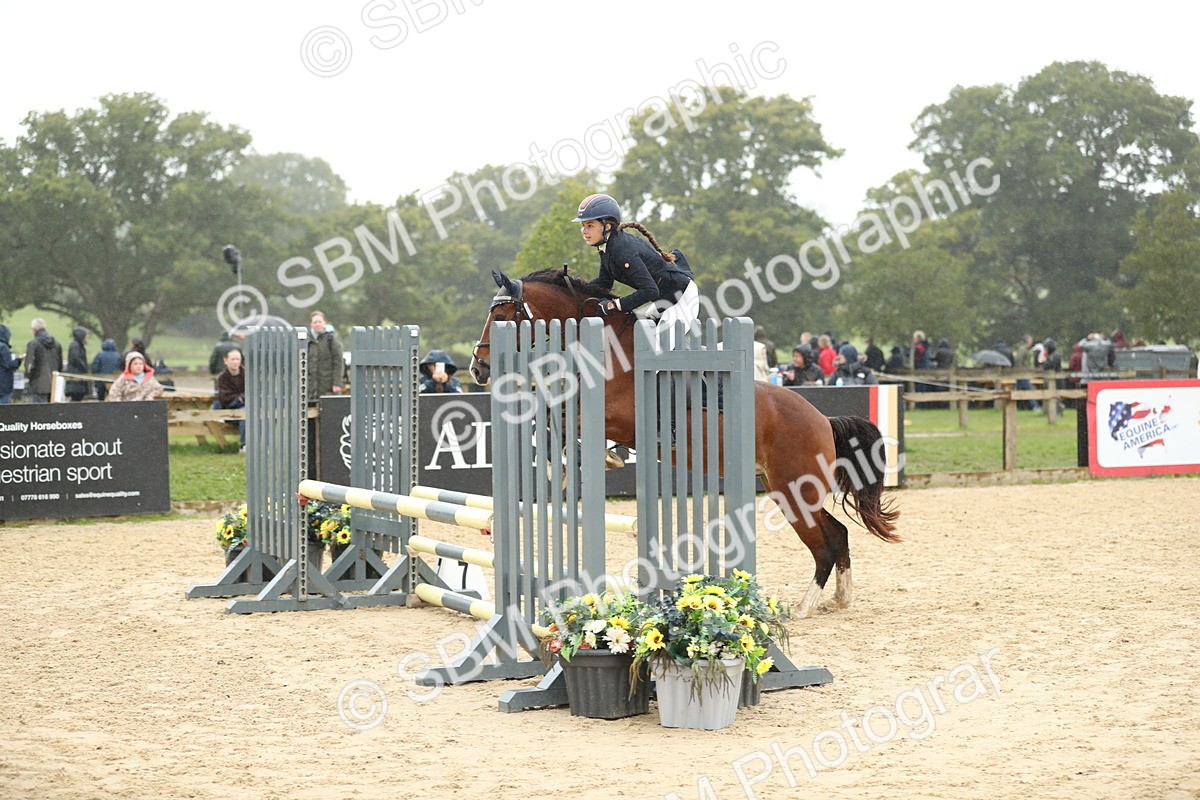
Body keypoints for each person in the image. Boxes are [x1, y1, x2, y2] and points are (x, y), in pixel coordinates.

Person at [573, 193, 699, 347]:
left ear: (607, 226)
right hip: (663, 300)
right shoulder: (607, 246)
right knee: (637, 336)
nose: (584, 231)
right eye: (583, 226)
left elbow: (650, 290)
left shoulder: (622, 249)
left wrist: (614, 305)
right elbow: (604, 283)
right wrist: (574, 287)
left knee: (656, 352)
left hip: (682, 299)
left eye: (590, 225)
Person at [307, 310, 344, 401]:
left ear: (325, 323)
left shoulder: (331, 338)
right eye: (315, 322)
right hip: (310, 387)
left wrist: (337, 383)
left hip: (328, 385)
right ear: (311, 324)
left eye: (320, 322)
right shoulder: (307, 339)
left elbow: (338, 361)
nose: (317, 324)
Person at [24, 318, 63, 404]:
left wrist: (28, 376)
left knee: (40, 413)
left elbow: (30, 365)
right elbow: (60, 365)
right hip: (54, 383)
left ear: (34, 329)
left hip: (38, 384)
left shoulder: (33, 344)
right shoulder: (57, 344)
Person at [215, 348, 247, 451]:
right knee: (244, 413)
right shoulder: (222, 378)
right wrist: (239, 398)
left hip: (248, 408)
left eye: (238, 359)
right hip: (229, 411)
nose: (235, 362)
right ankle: (244, 445)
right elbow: (224, 398)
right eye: (233, 359)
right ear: (226, 361)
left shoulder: (247, 375)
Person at [64, 326, 90, 401]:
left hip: (78, 380)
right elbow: (76, 359)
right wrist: (84, 368)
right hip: (76, 380)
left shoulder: (78, 346)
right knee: (76, 399)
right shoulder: (75, 346)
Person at [0, 323, 23, 404]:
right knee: (4, 409)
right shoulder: (3, 347)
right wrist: (18, 360)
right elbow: (8, 365)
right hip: (3, 383)